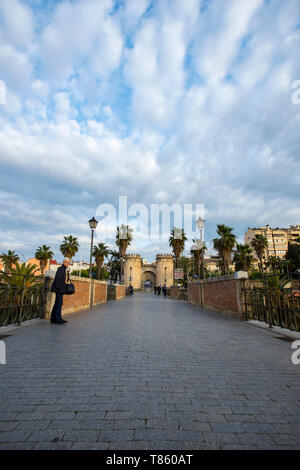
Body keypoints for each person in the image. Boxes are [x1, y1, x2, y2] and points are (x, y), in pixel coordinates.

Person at [50, 257, 70, 324]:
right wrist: (59, 288)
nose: (67, 264)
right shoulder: (61, 269)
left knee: (57, 304)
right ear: (63, 262)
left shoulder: (63, 269)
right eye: (66, 262)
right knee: (59, 304)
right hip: (59, 289)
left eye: (68, 262)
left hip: (59, 289)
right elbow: (58, 279)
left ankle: (53, 319)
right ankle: (58, 319)